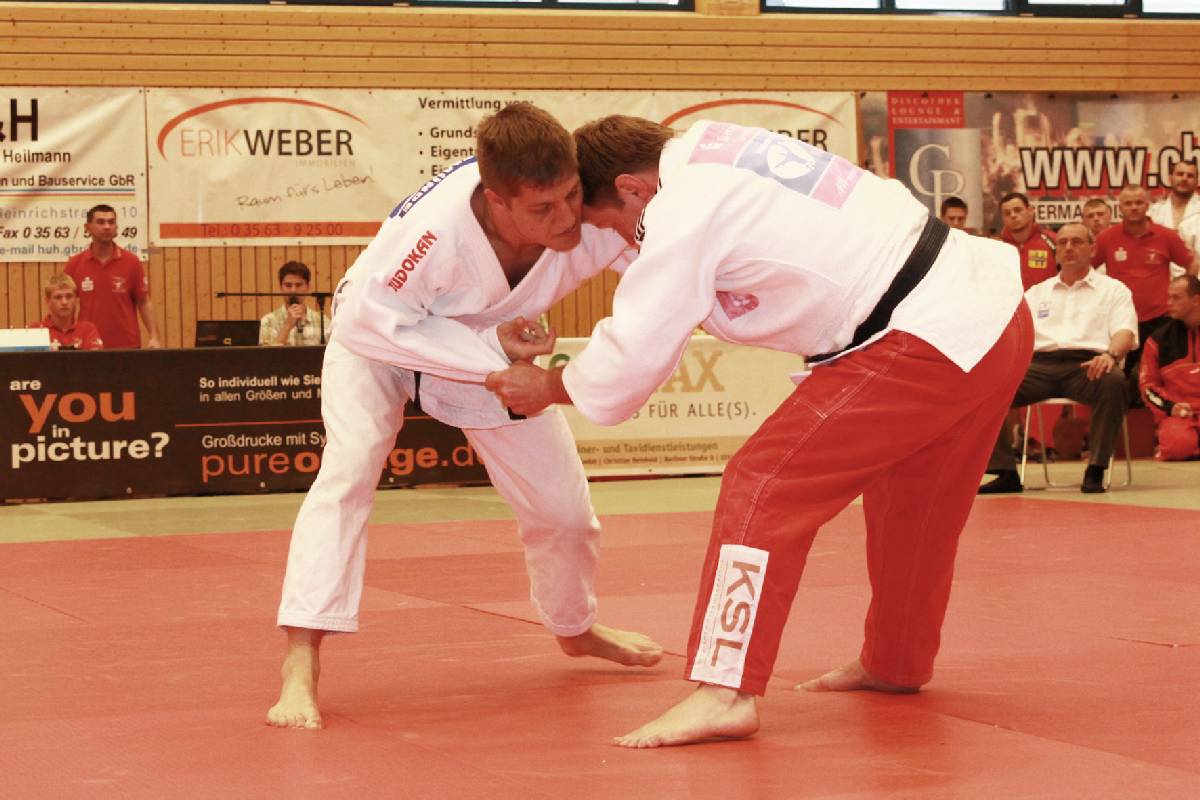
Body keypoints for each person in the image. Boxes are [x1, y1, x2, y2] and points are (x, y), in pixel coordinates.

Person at [486, 115, 1031, 748]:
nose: (623, 239)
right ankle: (896, 661)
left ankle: (725, 689)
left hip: (921, 336)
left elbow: (642, 338)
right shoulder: (715, 145)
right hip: (992, 315)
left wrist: (553, 385)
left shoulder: (683, 206)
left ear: (633, 188)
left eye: (614, 223)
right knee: (915, 508)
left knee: (764, 482)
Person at [266, 103, 662, 731]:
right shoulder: (433, 235)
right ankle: (301, 657)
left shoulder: (587, 207)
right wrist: (490, 361)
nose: (565, 219)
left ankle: (574, 627)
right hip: (378, 339)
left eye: (569, 196)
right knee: (350, 468)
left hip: (485, 347)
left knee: (564, 510)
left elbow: (664, 271)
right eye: (542, 209)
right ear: (496, 199)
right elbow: (371, 322)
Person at [978, 222, 1137, 494]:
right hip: (1039, 365)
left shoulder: (1114, 290)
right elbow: (1014, 335)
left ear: (1092, 249)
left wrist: (1110, 355)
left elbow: (1125, 332)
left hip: (1088, 365)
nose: (1068, 248)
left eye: (1076, 241)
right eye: (1062, 243)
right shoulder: (1036, 293)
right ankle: (1005, 471)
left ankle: (1096, 469)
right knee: (987, 386)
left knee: (1114, 381)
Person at [1092, 185, 1196, 391]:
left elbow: (1192, 263)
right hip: (1120, 321)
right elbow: (1086, 268)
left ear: (1147, 205)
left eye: (1139, 202)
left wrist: (1186, 292)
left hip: (1160, 320)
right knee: (1119, 378)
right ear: (1120, 207)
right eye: (1128, 203)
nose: (1134, 207)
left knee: (1159, 376)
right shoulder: (1106, 238)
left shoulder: (1166, 236)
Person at [64, 204, 161, 349]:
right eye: (100, 222)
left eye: (111, 222)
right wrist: (67, 337)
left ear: (116, 227)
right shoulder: (74, 264)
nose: (107, 226)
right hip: (88, 345)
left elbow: (144, 302)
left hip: (127, 345)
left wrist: (154, 337)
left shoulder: (132, 262)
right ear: (87, 227)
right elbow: (66, 305)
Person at [1140, 275, 1200, 460]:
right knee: (1176, 446)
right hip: (1180, 415)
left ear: (1196, 300)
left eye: (1176, 298)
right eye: (1169, 297)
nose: (1169, 303)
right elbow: (1147, 386)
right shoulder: (1158, 339)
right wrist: (1170, 407)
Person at [259, 261, 332, 346]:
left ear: (308, 287)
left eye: (298, 285)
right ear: (280, 287)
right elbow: (267, 354)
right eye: (288, 285)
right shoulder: (268, 321)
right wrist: (287, 326)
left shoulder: (324, 322)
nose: (293, 290)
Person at [1149, 160, 1200, 279]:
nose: (1184, 179)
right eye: (1180, 174)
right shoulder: (1153, 213)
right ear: (1170, 178)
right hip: (1161, 280)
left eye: (1190, 176)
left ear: (1197, 182)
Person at [999, 192, 1057, 290]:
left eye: (1017, 210)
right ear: (1003, 218)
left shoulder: (1053, 241)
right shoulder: (996, 247)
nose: (1013, 215)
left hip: (1046, 299)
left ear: (1030, 210)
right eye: (1007, 213)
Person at [32, 273, 103, 350]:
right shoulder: (35, 330)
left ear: (76, 300)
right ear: (47, 301)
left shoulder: (88, 330)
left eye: (69, 296)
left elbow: (96, 357)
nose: (64, 302)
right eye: (58, 297)